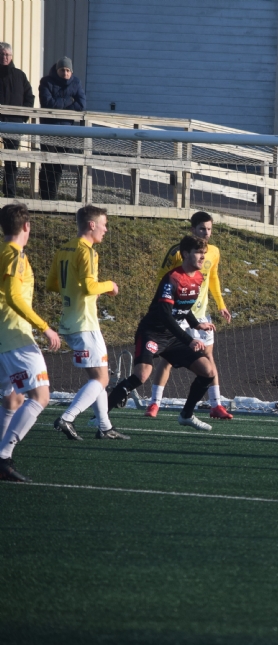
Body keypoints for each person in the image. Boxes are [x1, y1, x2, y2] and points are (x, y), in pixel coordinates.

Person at [107, 236, 218, 431]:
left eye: (204, 253)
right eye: (199, 253)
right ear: (185, 254)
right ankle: (101, 414)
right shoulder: (172, 278)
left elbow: (183, 307)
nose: (203, 257)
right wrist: (189, 339)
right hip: (152, 333)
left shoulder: (199, 278)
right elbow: (165, 315)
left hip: (172, 336)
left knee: (208, 371)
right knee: (142, 375)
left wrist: (196, 324)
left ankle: (186, 415)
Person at [47, 205, 128, 441]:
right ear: (92, 225)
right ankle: (67, 417)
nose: (106, 229)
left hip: (70, 322)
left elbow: (52, 284)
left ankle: (104, 427)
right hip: (85, 323)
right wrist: (110, 286)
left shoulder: (65, 248)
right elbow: (91, 286)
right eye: (104, 224)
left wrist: (78, 290)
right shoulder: (88, 251)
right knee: (102, 379)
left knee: (97, 378)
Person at [146, 211, 232, 419]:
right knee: (167, 359)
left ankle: (216, 405)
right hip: (180, 313)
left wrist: (221, 304)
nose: (206, 233)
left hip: (201, 314)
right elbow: (163, 278)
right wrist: (169, 305)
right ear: (193, 229)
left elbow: (213, 278)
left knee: (209, 357)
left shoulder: (214, 252)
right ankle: (154, 402)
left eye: (209, 229)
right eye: (202, 229)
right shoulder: (179, 253)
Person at [0, 204, 61, 483]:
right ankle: (4, 457)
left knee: (13, 399)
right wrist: (45, 327)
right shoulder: (16, 256)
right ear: (27, 226)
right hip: (15, 336)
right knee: (40, 396)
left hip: (4, 337)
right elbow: (14, 297)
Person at [38, 57, 86, 200]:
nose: (65, 73)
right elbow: (47, 103)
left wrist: (61, 106)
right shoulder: (46, 82)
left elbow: (81, 104)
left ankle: (52, 196)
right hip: (48, 129)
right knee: (47, 164)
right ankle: (44, 196)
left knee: (59, 165)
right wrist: (69, 101)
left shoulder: (76, 83)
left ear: (71, 72)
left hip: (66, 131)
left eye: (67, 70)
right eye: (62, 70)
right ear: (57, 70)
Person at [0, 42, 34, 198]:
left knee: (11, 160)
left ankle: (10, 193)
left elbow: (29, 97)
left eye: (7, 54)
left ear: (11, 56)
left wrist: (22, 118)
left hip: (14, 123)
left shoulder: (20, 76)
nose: (4, 57)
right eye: (2, 54)